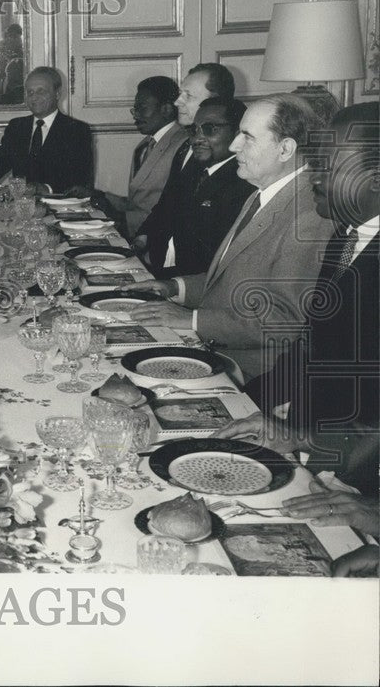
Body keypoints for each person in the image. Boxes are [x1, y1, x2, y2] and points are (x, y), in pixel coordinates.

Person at [214, 102, 379, 522]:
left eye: (327, 165)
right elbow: (312, 346)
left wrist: (306, 440)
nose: (314, 178)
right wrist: (240, 405)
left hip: (357, 480)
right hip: (308, 447)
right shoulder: (346, 236)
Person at [127, 94, 334, 382]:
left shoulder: (309, 216)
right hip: (220, 351)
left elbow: (283, 322)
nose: (235, 145)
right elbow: (229, 280)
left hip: (252, 375)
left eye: (247, 137)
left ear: (285, 148)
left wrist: (191, 319)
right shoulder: (259, 195)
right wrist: (174, 287)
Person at [136, 97, 255, 276]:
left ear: (238, 133)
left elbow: (215, 264)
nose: (197, 138)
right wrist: (141, 241)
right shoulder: (194, 169)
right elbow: (164, 211)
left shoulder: (245, 184)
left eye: (209, 129)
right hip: (160, 271)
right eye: (193, 130)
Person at [0, 66, 94, 195]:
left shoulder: (77, 130)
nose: (34, 97)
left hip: (61, 207)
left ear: (57, 94)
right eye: (30, 92)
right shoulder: (16, 127)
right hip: (21, 208)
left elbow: (81, 181)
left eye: (41, 91)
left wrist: (45, 189)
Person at [105, 76, 187, 238]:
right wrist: (98, 196)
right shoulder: (143, 146)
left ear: (167, 109)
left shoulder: (183, 144)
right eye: (135, 109)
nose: (135, 115)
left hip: (158, 241)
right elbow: (135, 203)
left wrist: (119, 217)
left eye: (142, 108)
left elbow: (173, 209)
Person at [169, 62, 236, 178]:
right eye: (180, 94)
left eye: (188, 96)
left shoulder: (222, 153)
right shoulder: (184, 145)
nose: (177, 102)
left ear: (214, 101)